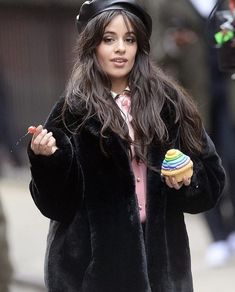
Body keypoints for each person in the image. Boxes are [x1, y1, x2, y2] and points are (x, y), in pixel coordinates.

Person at [27, 1, 225, 291]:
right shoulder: (73, 109)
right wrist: (47, 160)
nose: (120, 48)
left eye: (129, 39)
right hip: (92, 274)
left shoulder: (167, 103)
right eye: (109, 39)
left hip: (163, 270)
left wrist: (188, 179)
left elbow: (211, 184)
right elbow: (55, 204)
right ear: (92, 45)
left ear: (140, 46)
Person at [148, 0, 235, 267]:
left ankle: (232, 228)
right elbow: (156, 52)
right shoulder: (168, 5)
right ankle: (218, 236)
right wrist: (175, 42)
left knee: (232, 160)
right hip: (196, 102)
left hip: (229, 97)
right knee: (203, 166)